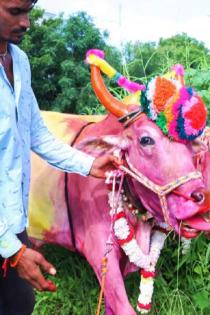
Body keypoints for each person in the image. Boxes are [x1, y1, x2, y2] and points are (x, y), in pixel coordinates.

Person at [0, 1, 120, 313]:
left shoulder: (19, 61)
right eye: (15, 11)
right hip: (7, 239)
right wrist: (12, 251)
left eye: (28, 11)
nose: (25, 22)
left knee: (19, 306)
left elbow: (36, 133)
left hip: (13, 222)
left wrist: (90, 164)